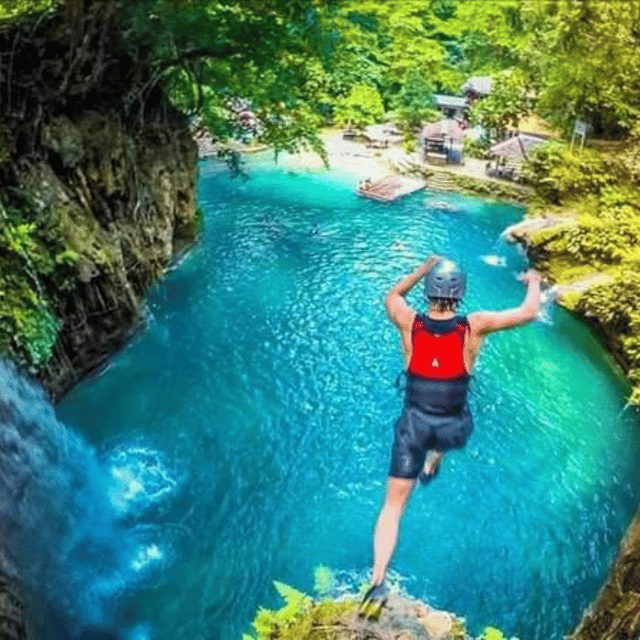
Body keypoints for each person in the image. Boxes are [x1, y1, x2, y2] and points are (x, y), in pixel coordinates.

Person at [359, 255, 542, 615]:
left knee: (393, 506)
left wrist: (420, 271)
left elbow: (391, 295)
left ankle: (377, 582)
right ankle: (433, 463)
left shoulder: (408, 321)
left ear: (428, 290)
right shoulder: (475, 326)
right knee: (449, 434)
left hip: (413, 423)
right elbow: (528, 312)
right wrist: (533, 281)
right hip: (452, 423)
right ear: (461, 294)